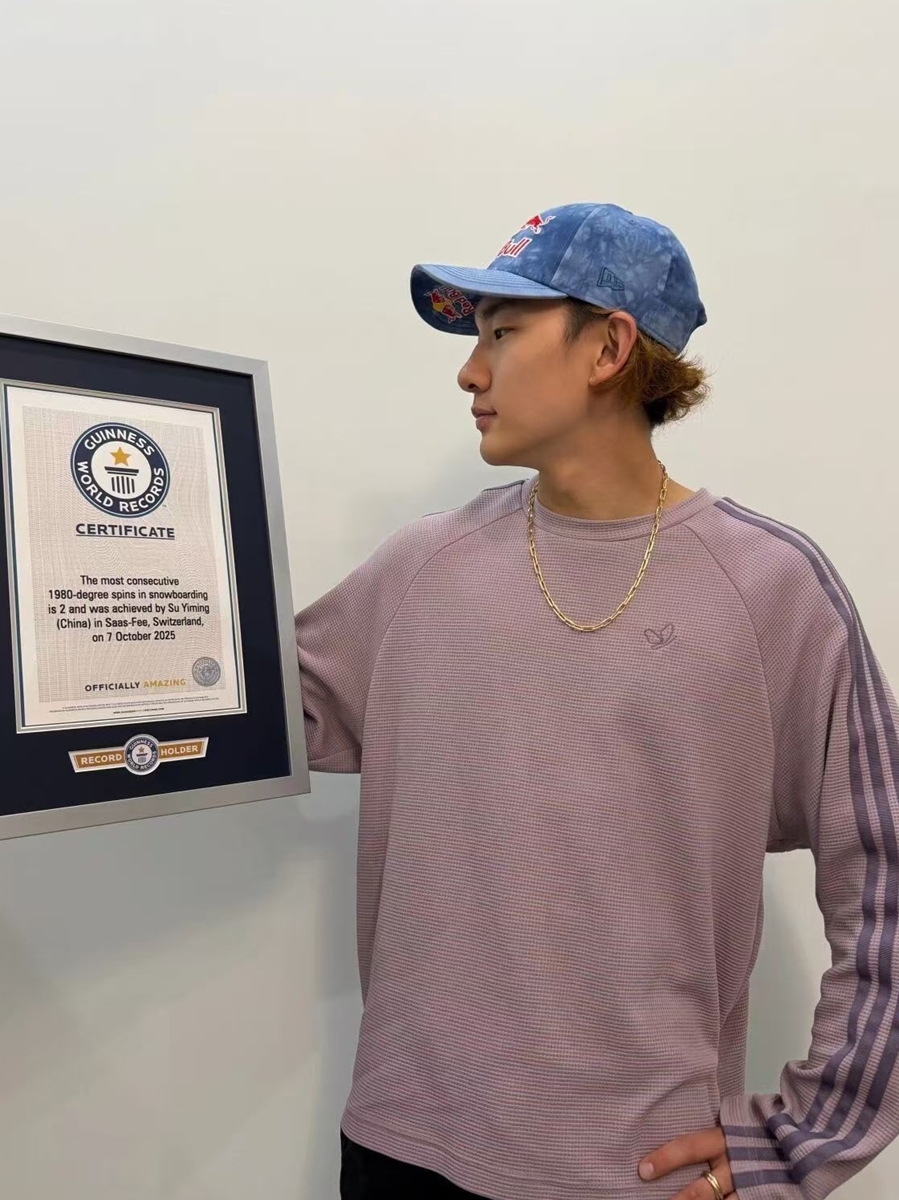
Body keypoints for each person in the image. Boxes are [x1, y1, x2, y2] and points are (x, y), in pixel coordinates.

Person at [294, 202, 899, 1200]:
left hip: (637, 1174)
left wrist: (801, 1139)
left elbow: (883, 886)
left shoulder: (771, 591)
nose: (468, 371)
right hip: (401, 1151)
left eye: (501, 332)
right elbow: (231, 714)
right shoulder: (420, 571)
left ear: (608, 345)